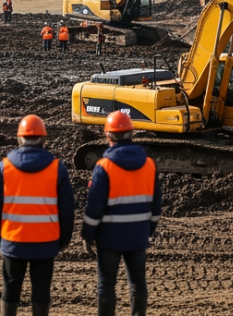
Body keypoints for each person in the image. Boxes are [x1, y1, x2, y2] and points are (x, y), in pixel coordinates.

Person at [0, 115, 74, 316]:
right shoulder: (56, 168)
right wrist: (63, 240)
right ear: (43, 139)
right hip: (46, 242)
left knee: (10, 288)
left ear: (19, 139)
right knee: (41, 291)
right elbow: (67, 208)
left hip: (13, 241)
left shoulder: (5, 167)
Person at [82, 111, 161, 316]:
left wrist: (88, 235)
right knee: (137, 284)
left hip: (109, 238)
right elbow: (156, 205)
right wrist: (149, 232)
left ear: (108, 136)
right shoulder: (149, 164)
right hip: (137, 235)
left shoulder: (104, 167)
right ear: (132, 133)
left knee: (106, 284)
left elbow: (94, 206)